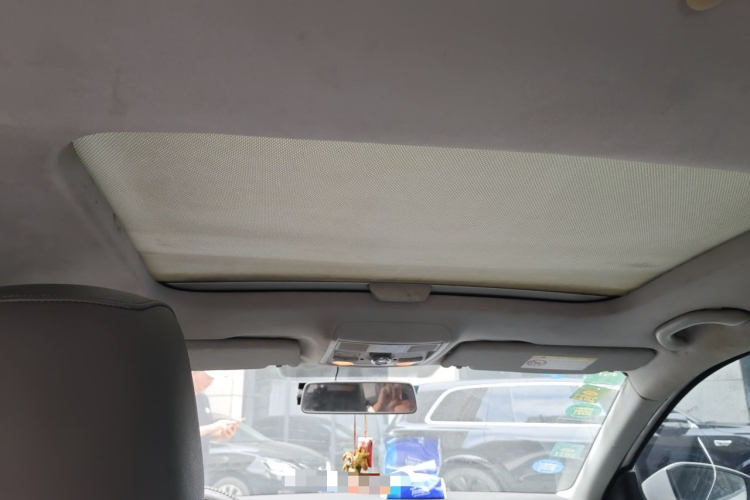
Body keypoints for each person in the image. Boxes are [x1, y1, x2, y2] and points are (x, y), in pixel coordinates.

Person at [191, 370, 238, 463]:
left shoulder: (203, 399)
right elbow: (183, 434)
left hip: (203, 461)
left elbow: (206, 434)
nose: (211, 382)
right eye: (209, 377)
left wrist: (222, 433)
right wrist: (214, 427)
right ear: (194, 372)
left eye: (213, 378)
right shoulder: (178, 397)